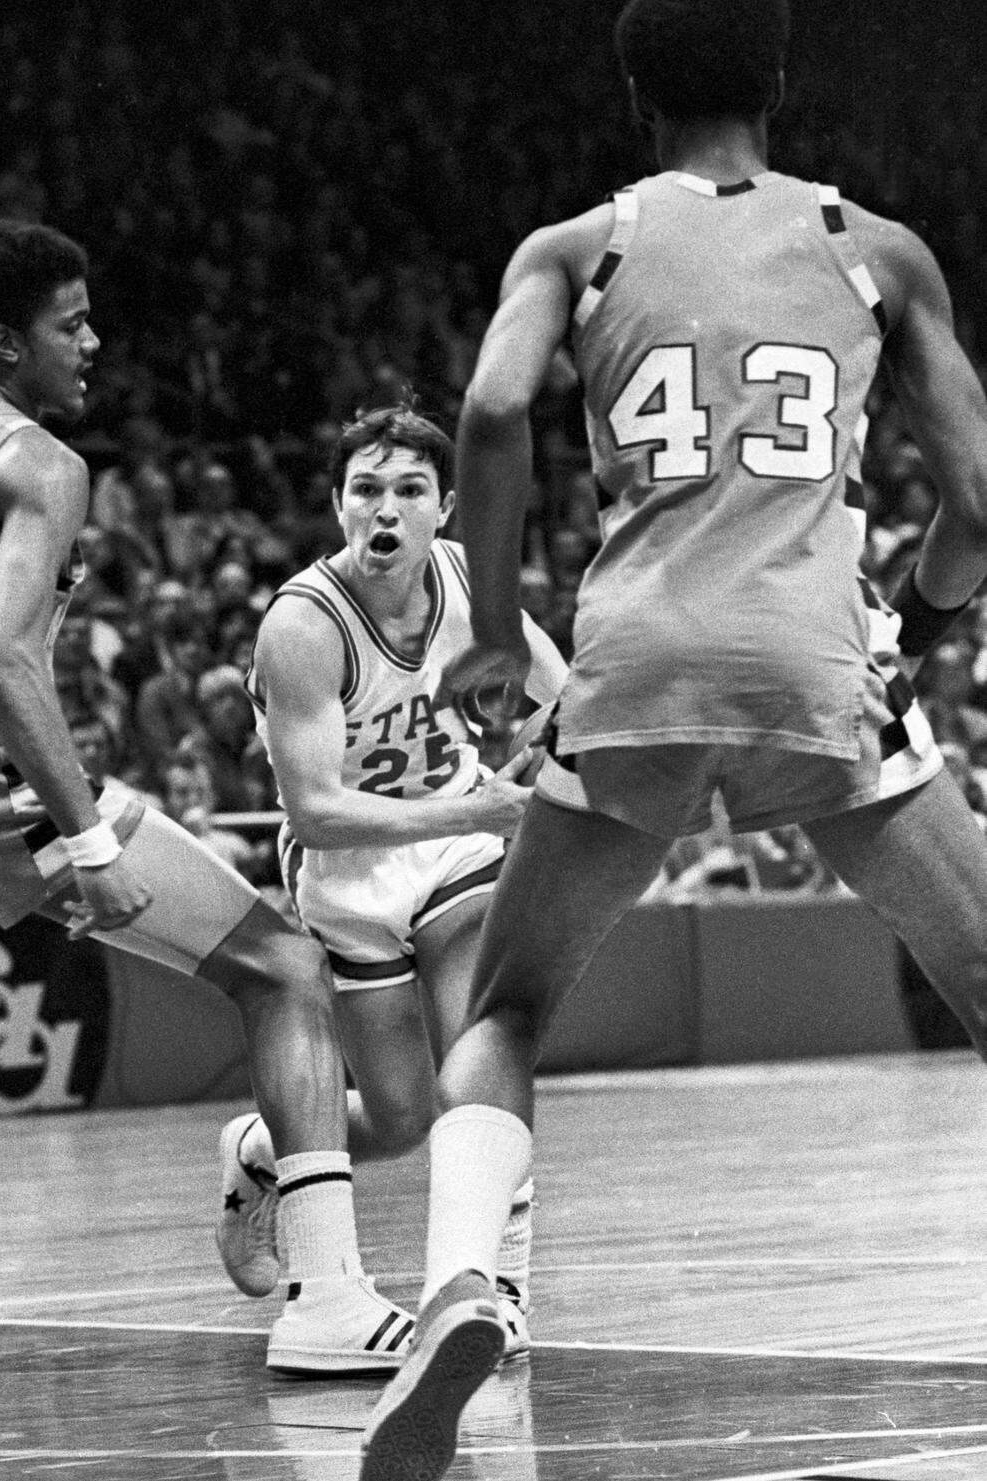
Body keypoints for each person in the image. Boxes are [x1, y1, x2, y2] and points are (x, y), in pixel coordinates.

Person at [359, 1, 987, 1476]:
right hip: (814, 662)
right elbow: (978, 504)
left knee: (508, 1012)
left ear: (635, 90)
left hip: (636, 666)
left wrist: (493, 625)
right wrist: (917, 620)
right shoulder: (874, 248)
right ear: (780, 80)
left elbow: (490, 408)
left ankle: (463, 1285)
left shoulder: (577, 247)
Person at [0, 218, 411, 1373]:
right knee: (283, 968)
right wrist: (90, 838)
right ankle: (327, 1297)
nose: (94, 341)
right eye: (72, 323)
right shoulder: (41, 464)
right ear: (7, 343)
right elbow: (3, 661)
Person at [213, 403, 567, 1361]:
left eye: (410, 489)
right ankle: (261, 1151)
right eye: (366, 488)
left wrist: (545, 756)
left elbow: (561, 687)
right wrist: (479, 808)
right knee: (404, 1114)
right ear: (337, 504)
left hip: (456, 854)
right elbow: (317, 813)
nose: (387, 507)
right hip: (350, 867)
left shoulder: (468, 578)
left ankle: (501, 1286)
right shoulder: (303, 624)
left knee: (482, 1053)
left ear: (444, 507)